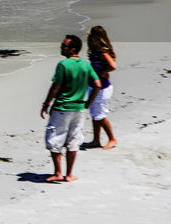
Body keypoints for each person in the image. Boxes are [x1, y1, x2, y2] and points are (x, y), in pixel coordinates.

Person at [39, 34, 101, 182]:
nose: (61, 47)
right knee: (73, 140)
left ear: (73, 49)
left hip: (62, 107)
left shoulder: (63, 65)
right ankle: (69, 174)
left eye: (64, 45)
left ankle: (58, 172)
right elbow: (97, 85)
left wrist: (46, 104)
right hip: (79, 109)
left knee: (55, 139)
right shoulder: (86, 64)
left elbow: (55, 86)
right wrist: (88, 103)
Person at [83, 25, 117, 149]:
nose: (89, 39)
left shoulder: (103, 52)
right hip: (95, 87)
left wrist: (104, 72)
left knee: (100, 116)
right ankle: (96, 140)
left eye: (91, 37)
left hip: (102, 88)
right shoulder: (95, 52)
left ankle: (112, 139)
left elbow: (113, 65)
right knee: (95, 115)